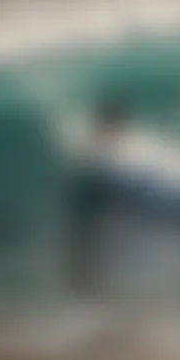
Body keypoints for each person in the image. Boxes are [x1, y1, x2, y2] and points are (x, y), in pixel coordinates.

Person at [69, 100, 128, 296]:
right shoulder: (102, 137)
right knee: (91, 240)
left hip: (93, 193)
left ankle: (87, 282)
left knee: (94, 242)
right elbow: (94, 166)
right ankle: (85, 283)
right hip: (93, 193)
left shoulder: (103, 137)